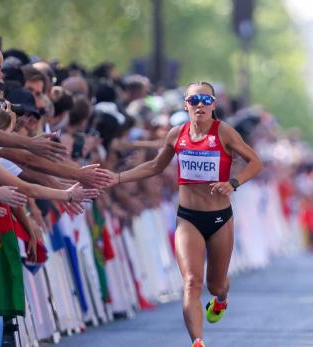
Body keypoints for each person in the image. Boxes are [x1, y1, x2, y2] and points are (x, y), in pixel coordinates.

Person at [106, 81, 262, 347]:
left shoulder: (224, 133)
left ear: (213, 105)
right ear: (186, 105)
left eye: (205, 100)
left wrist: (232, 183)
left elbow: (255, 162)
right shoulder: (177, 134)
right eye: (193, 100)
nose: (199, 105)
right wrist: (117, 177)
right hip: (188, 218)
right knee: (191, 281)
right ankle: (197, 341)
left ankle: (221, 299)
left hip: (219, 219)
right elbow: (155, 166)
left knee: (215, 285)